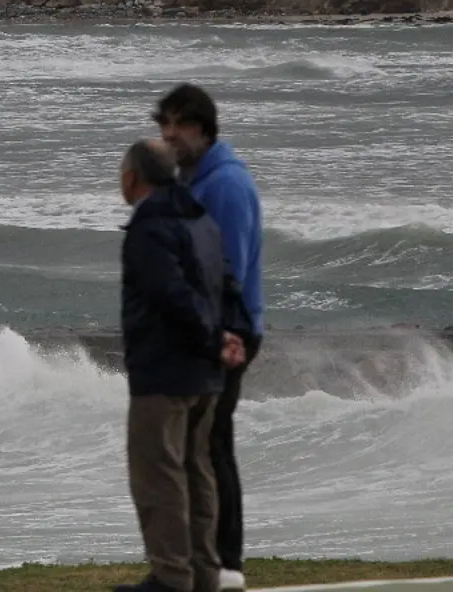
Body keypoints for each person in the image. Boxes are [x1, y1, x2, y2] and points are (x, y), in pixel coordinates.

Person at [114, 139, 253, 592]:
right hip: (204, 375)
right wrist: (233, 334)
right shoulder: (201, 221)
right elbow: (228, 282)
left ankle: (172, 577)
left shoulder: (150, 229)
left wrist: (214, 340)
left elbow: (171, 295)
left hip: (166, 372)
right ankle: (204, 572)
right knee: (197, 471)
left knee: (160, 474)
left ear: (134, 178)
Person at [153, 84, 264, 591]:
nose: (170, 134)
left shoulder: (226, 184)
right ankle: (202, 562)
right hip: (200, 331)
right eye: (165, 124)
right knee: (192, 447)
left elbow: (229, 272)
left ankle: (228, 563)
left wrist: (216, 336)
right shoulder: (190, 179)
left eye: (180, 124)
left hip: (228, 332)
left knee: (212, 445)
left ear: (204, 129)